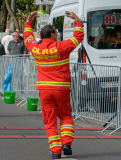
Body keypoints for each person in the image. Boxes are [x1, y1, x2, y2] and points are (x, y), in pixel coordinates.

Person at [23, 11, 84, 159]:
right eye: (56, 32)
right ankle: (66, 144)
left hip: (44, 89)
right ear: (51, 35)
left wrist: (28, 21)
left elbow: (27, 38)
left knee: (49, 121)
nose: (57, 34)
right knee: (65, 115)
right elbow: (78, 37)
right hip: (61, 88)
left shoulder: (35, 48)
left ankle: (56, 151)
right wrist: (76, 20)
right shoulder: (62, 46)